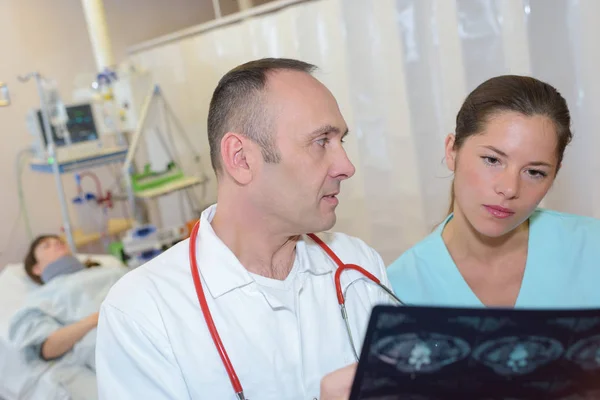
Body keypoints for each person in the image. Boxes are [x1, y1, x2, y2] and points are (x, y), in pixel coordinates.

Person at [95, 58, 394, 400]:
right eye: (321, 141)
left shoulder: (358, 266)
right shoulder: (143, 311)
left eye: (341, 141)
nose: (346, 166)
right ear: (241, 158)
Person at [387, 75, 600, 308]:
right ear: (452, 150)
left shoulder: (592, 248)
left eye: (534, 172)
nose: (509, 189)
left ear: (555, 173)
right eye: (492, 159)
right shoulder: (397, 288)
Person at [9, 234, 127, 400]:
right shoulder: (41, 298)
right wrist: (95, 319)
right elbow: (48, 347)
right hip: (108, 338)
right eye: (46, 245)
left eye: (58, 241)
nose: (56, 243)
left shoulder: (110, 271)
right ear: (36, 269)